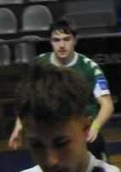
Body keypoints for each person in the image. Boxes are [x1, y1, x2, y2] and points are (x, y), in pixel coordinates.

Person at [8, 18, 114, 162]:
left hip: (83, 132)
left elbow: (107, 105)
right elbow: (27, 100)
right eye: (56, 40)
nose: (62, 45)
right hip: (51, 132)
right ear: (50, 42)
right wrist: (18, 127)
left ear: (74, 41)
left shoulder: (89, 67)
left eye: (66, 39)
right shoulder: (39, 65)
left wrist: (95, 127)